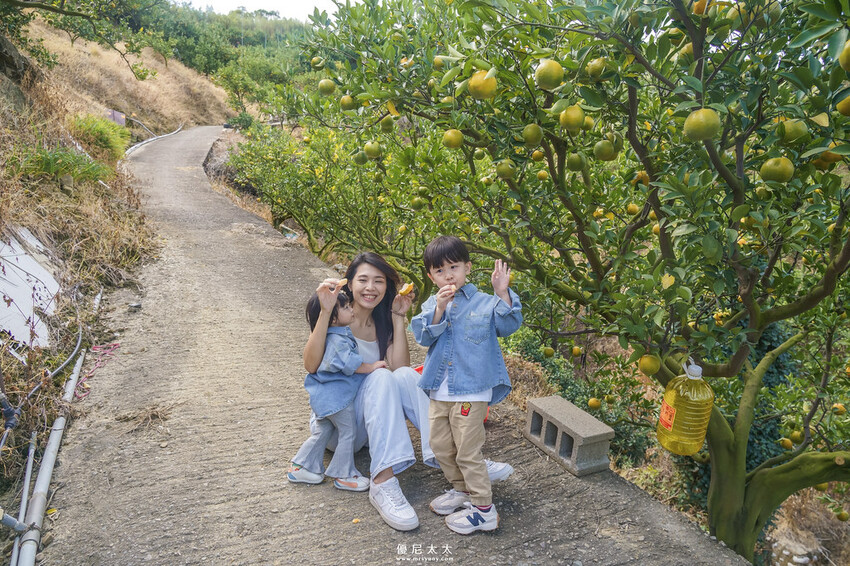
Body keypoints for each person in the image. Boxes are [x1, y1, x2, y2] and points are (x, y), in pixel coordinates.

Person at [302, 252, 514, 532]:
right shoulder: (335, 317)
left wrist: (397, 317)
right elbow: (311, 365)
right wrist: (325, 311)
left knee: (403, 374)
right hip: (339, 426)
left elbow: (401, 369)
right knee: (380, 375)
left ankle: (457, 457)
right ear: (349, 284)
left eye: (379, 281)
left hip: (369, 423)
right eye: (363, 280)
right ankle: (382, 481)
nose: (370, 288)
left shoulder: (381, 321)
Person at [411, 236, 522, 534]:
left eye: (454, 267)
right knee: (439, 446)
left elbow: (509, 324)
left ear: (467, 268)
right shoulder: (432, 304)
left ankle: (484, 510)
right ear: (431, 276)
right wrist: (439, 309)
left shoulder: (485, 302)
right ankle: (463, 491)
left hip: (472, 391)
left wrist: (502, 292)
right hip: (440, 390)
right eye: (439, 270)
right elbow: (422, 336)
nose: (448, 275)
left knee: (467, 451)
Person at [287, 291, 386, 491]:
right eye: (346, 307)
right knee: (348, 432)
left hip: (325, 399)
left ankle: (300, 466)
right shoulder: (337, 340)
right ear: (333, 318)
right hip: (337, 400)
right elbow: (351, 364)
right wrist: (372, 366)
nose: (352, 310)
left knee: (323, 431)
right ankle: (344, 475)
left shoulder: (332, 335)